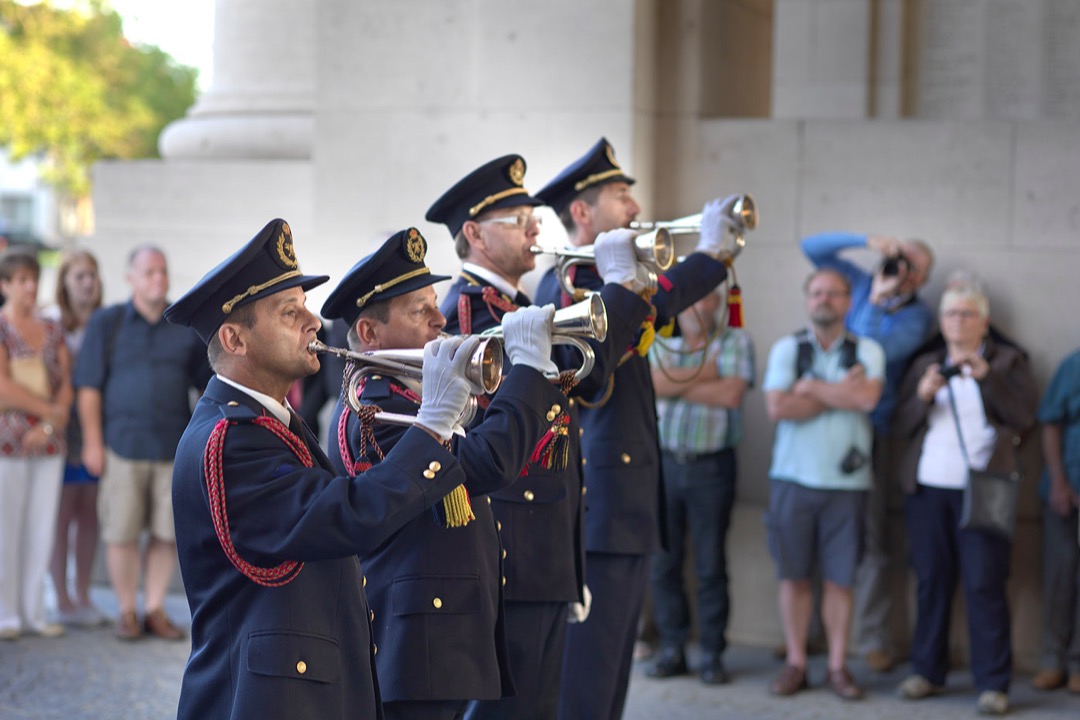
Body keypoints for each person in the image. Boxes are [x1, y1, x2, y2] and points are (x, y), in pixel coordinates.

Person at [164, 218, 477, 719]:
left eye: (305, 308)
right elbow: (347, 516)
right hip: (270, 701)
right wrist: (432, 427)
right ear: (235, 339)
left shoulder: (269, 421)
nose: (313, 322)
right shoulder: (230, 438)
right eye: (291, 313)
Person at [425, 154, 650, 720]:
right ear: (473, 235)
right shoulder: (471, 313)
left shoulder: (517, 308)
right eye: (516, 218)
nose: (535, 227)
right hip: (511, 551)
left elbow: (589, 374)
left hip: (544, 546)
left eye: (532, 215)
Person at [320, 226, 568, 720]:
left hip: (441, 636)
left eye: (435, 303)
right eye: (420, 310)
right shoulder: (374, 409)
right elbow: (486, 463)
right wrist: (528, 369)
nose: (439, 319)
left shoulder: (413, 399)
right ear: (369, 334)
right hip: (415, 643)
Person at [533, 137, 734, 720]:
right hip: (600, 507)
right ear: (582, 213)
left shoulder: (611, 278)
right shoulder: (576, 284)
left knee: (610, 673)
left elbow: (654, 303)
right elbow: (644, 313)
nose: (634, 207)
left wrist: (711, 258)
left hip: (625, 505)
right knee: (586, 681)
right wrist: (712, 257)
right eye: (620, 196)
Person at [892, 283, 1037, 716]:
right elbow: (899, 425)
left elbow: (1024, 416)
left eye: (966, 314)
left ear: (984, 321)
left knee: (984, 582)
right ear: (941, 322)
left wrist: (986, 379)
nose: (957, 321)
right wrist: (921, 398)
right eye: (951, 314)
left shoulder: (1008, 362)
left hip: (984, 488)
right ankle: (928, 671)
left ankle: (993, 682)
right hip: (928, 488)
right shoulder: (925, 364)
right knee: (932, 580)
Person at [801, 230, 933, 672]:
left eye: (916, 270)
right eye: (903, 262)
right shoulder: (857, 281)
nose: (906, 274)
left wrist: (876, 304)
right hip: (821, 425)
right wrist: (869, 240)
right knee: (818, 531)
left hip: (873, 434)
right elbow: (813, 248)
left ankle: (873, 637)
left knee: (873, 536)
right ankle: (809, 634)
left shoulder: (917, 317)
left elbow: (865, 355)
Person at [74, 245, 211, 640]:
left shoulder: (185, 326)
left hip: (172, 448)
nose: (158, 278)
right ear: (130, 278)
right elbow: (88, 388)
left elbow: (208, 386)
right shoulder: (109, 323)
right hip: (121, 447)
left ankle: (153, 608)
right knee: (121, 533)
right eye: (149, 272)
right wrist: (93, 444)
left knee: (167, 534)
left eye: (163, 271)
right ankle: (125, 611)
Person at [762, 268, 884, 701]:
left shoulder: (868, 349)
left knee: (840, 581)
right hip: (792, 480)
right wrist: (839, 393)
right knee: (793, 577)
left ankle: (836, 666)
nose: (824, 299)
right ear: (807, 299)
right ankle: (796, 663)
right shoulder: (786, 348)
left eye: (834, 293)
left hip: (847, 486)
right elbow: (778, 408)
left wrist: (811, 387)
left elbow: (867, 399)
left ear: (849, 301)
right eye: (816, 292)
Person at [645, 290, 755, 685]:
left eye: (708, 299)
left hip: (712, 468)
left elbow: (731, 394)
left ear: (719, 305)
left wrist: (675, 380)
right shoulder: (660, 340)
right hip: (665, 465)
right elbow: (651, 387)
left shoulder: (736, 341)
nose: (699, 307)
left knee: (710, 564)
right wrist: (704, 372)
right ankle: (672, 647)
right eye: (693, 299)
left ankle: (711, 652)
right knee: (664, 563)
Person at [0, 248, 73, 640]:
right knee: (5, 528)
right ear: (5, 285)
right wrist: (49, 412)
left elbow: (66, 380)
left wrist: (49, 421)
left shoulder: (52, 327)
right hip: (7, 443)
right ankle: (6, 613)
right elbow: (3, 386)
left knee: (42, 526)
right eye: (21, 280)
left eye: (33, 278)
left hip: (49, 442)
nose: (30, 286)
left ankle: (33, 612)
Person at [45, 250, 106, 627]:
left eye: (92, 275)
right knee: (61, 514)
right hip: (62, 425)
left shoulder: (105, 321)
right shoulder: (53, 323)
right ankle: (61, 595)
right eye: (80, 276)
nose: (87, 282)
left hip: (96, 427)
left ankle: (83, 592)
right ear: (65, 281)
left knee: (89, 513)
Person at [1031, 347, 1080, 694]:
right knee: (1060, 576)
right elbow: (1050, 423)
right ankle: (1053, 659)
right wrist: (1059, 481)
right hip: (1066, 493)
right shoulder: (1073, 365)